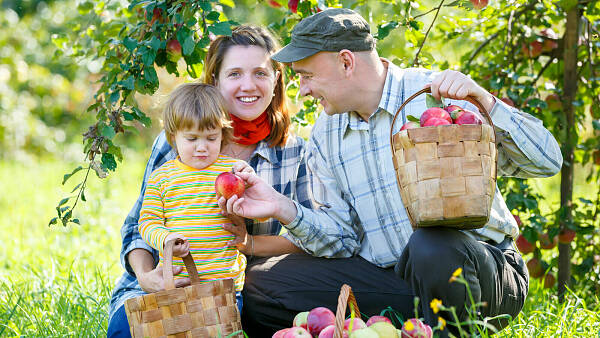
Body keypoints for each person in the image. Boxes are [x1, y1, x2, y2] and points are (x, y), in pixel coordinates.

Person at [218, 8, 563, 337]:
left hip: (476, 273)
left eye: (307, 76)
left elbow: (547, 161)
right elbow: (342, 240)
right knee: (262, 285)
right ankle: (397, 329)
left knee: (432, 244)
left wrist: (484, 101)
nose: (303, 89)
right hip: (393, 280)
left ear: (346, 61)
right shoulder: (326, 134)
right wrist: (282, 207)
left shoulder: (433, 97)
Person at [107, 25, 311, 337]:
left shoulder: (293, 152)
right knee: (129, 330)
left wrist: (250, 243)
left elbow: (310, 236)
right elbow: (139, 224)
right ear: (215, 80)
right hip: (162, 284)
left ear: (276, 79)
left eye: (260, 72)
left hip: (225, 290)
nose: (248, 85)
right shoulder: (177, 142)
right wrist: (147, 276)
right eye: (234, 74)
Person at [138, 83, 254, 315]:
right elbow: (147, 222)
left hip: (224, 284)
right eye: (191, 139)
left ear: (223, 134)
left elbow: (253, 208)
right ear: (173, 136)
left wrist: (249, 183)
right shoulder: (163, 176)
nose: (202, 148)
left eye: (211, 138)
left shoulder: (231, 172)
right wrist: (167, 238)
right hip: (178, 284)